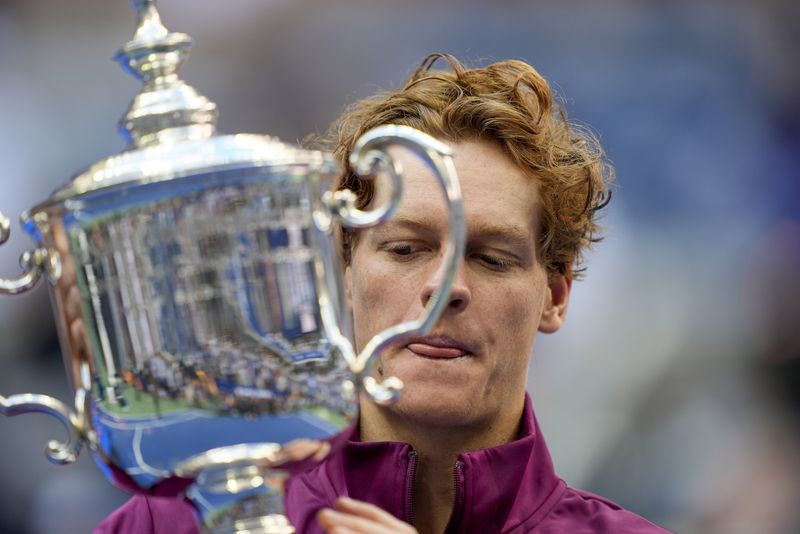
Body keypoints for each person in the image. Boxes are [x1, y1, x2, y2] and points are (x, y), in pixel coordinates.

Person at [97, 54, 669, 533]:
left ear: (556, 296)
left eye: (492, 258)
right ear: (341, 272)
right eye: (405, 249)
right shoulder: (178, 523)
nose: (445, 289)